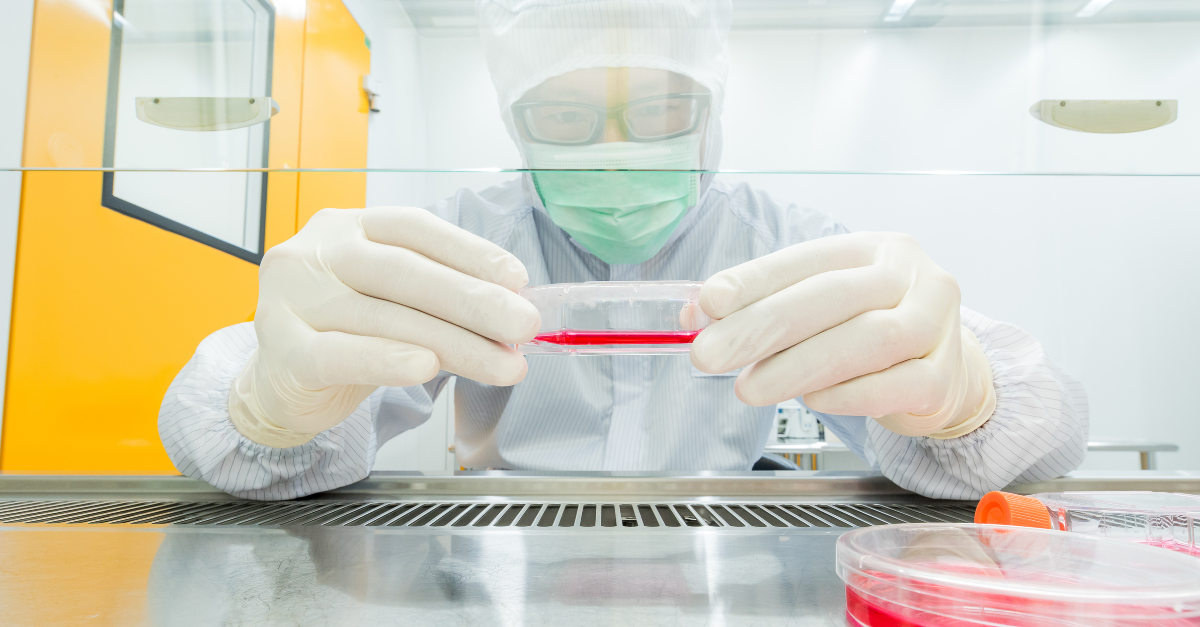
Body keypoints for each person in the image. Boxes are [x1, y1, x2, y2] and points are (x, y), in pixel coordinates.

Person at [159, 0, 1088, 500]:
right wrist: (269, 404)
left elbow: (1049, 437)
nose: (612, 149)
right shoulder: (463, 236)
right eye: (564, 117)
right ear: (517, 126)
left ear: (710, 116)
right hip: (501, 553)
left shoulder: (788, 241)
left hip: (731, 545)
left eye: (658, 112)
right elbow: (217, 443)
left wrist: (969, 401)